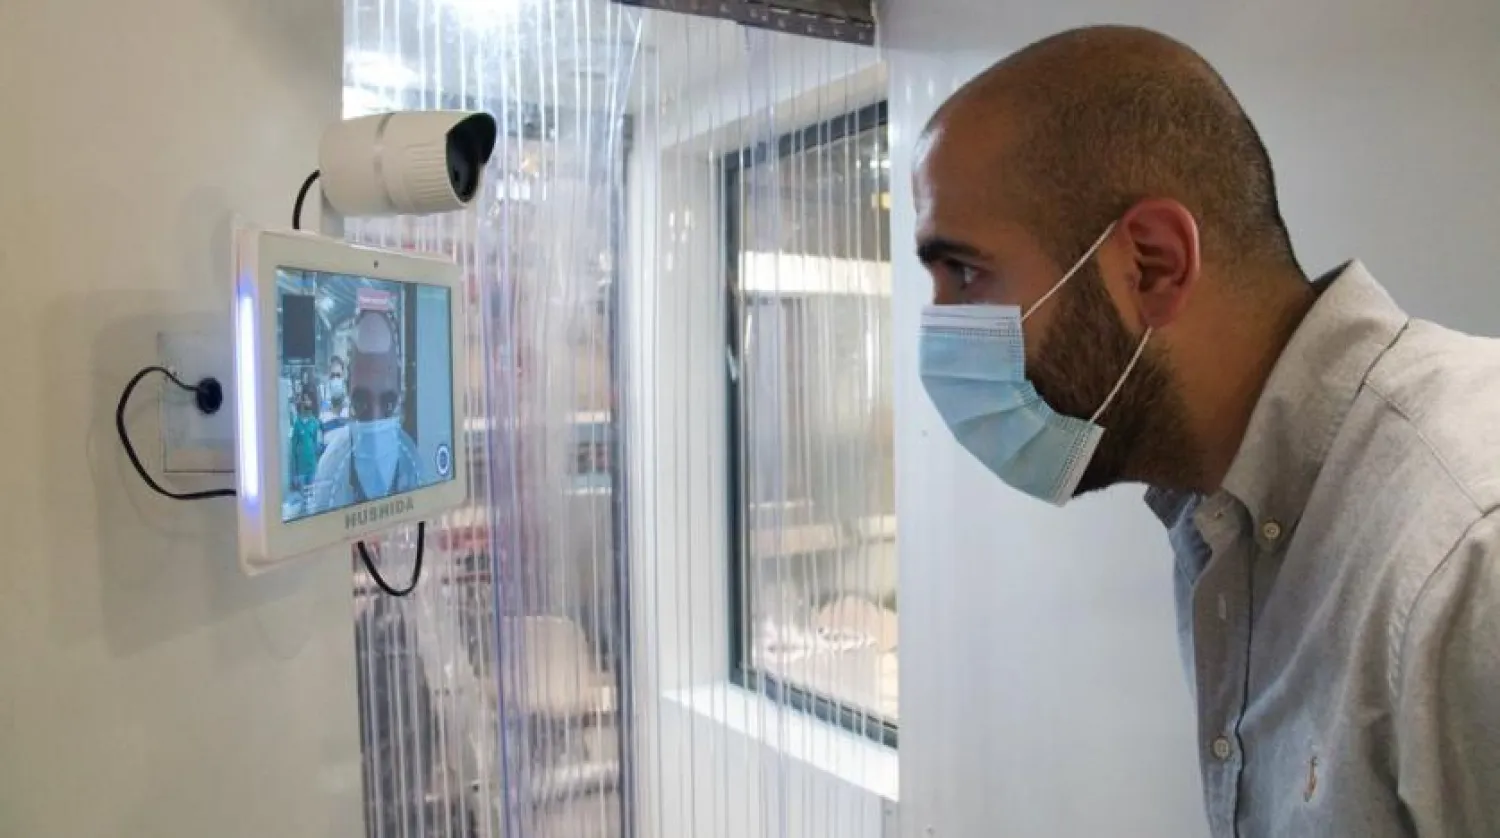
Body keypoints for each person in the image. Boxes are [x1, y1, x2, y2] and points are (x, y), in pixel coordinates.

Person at [913, 25, 1499, 838]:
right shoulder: (1222, 520)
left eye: (966, 272)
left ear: (1152, 265)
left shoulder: (1465, 555)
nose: (939, 331)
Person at [308, 308, 424, 512]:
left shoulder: (411, 460)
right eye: (362, 404)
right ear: (347, 387)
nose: (375, 420)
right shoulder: (332, 469)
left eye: (387, 404)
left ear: (400, 389)